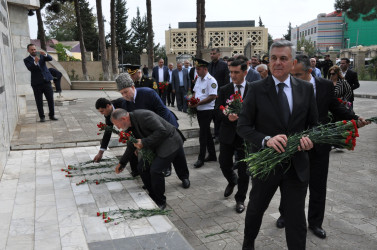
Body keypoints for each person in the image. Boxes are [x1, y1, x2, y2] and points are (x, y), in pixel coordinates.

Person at [237, 40, 318, 250]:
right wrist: (266, 140)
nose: (277, 63)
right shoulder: (255, 89)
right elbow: (243, 126)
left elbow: (314, 126)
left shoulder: (306, 89)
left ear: (292, 63)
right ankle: (248, 244)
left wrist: (310, 140)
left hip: (296, 167)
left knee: (296, 218)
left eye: (283, 58)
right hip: (266, 164)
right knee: (255, 209)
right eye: (273, 58)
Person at [276, 55, 368, 239]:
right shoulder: (288, 87)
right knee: (291, 183)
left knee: (318, 185)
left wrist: (355, 118)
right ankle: (286, 214)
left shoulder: (325, 86)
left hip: (320, 145)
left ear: (310, 71)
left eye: (298, 75)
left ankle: (315, 223)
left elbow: (336, 108)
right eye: (291, 75)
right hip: (296, 145)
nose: (293, 79)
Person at [112, 109, 190, 210]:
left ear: (124, 118)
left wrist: (143, 142)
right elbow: (131, 145)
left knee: (155, 170)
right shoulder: (128, 126)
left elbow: (162, 131)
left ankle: (160, 200)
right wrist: (122, 163)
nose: (118, 128)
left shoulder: (144, 116)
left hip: (169, 141)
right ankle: (152, 194)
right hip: (154, 144)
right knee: (141, 167)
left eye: (117, 124)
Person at [115, 73, 179, 177]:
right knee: (157, 151)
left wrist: (166, 131)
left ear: (132, 87)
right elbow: (131, 125)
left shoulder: (148, 93)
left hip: (167, 124)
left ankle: (181, 174)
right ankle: (157, 171)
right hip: (151, 129)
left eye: (126, 91)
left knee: (173, 151)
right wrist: (134, 142)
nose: (125, 95)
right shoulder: (125, 104)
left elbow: (162, 111)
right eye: (122, 93)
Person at [215, 59, 251, 214]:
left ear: (245, 72)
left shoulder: (253, 89)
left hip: (245, 136)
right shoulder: (224, 89)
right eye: (231, 72)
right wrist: (226, 116)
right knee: (223, 163)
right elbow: (217, 109)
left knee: (244, 170)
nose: (233, 75)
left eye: (236, 72)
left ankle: (240, 199)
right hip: (227, 133)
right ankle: (232, 180)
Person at [94, 98, 140, 177]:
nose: (102, 114)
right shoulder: (108, 115)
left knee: (135, 146)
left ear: (108, 106)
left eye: (102, 111)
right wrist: (100, 152)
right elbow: (108, 132)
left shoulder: (123, 104)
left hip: (138, 123)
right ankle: (135, 171)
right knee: (131, 146)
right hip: (128, 128)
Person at [189, 58, 218, 169]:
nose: (197, 71)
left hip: (207, 110)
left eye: (199, 69)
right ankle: (212, 155)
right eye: (196, 69)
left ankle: (201, 158)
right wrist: (192, 101)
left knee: (203, 135)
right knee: (206, 133)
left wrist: (198, 103)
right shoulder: (199, 79)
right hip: (199, 110)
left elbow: (212, 96)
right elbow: (195, 92)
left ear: (205, 69)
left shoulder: (211, 80)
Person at [24, 44, 58, 122]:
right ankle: (42, 117)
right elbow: (30, 68)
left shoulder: (41, 55)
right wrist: (35, 61)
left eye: (34, 49)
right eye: (32, 50)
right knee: (39, 101)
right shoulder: (26, 60)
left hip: (46, 81)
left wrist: (45, 54)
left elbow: (50, 59)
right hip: (36, 84)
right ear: (28, 50)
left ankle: (52, 115)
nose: (34, 51)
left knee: (50, 99)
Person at [208, 48, 230, 142]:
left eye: (214, 53)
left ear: (219, 55)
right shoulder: (209, 65)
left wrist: (221, 93)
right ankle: (216, 133)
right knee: (213, 115)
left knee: (219, 115)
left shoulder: (224, 65)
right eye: (211, 54)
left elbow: (226, 80)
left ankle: (219, 135)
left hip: (220, 95)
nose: (212, 55)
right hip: (211, 95)